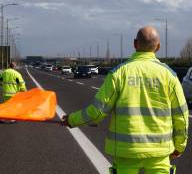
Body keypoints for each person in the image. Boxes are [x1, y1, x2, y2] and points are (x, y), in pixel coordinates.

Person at [62, 26, 189, 174]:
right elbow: (181, 116)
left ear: (135, 44)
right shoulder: (169, 76)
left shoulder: (119, 73)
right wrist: (180, 146)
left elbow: (97, 112)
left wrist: (71, 120)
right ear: (158, 47)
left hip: (126, 152)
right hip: (159, 153)